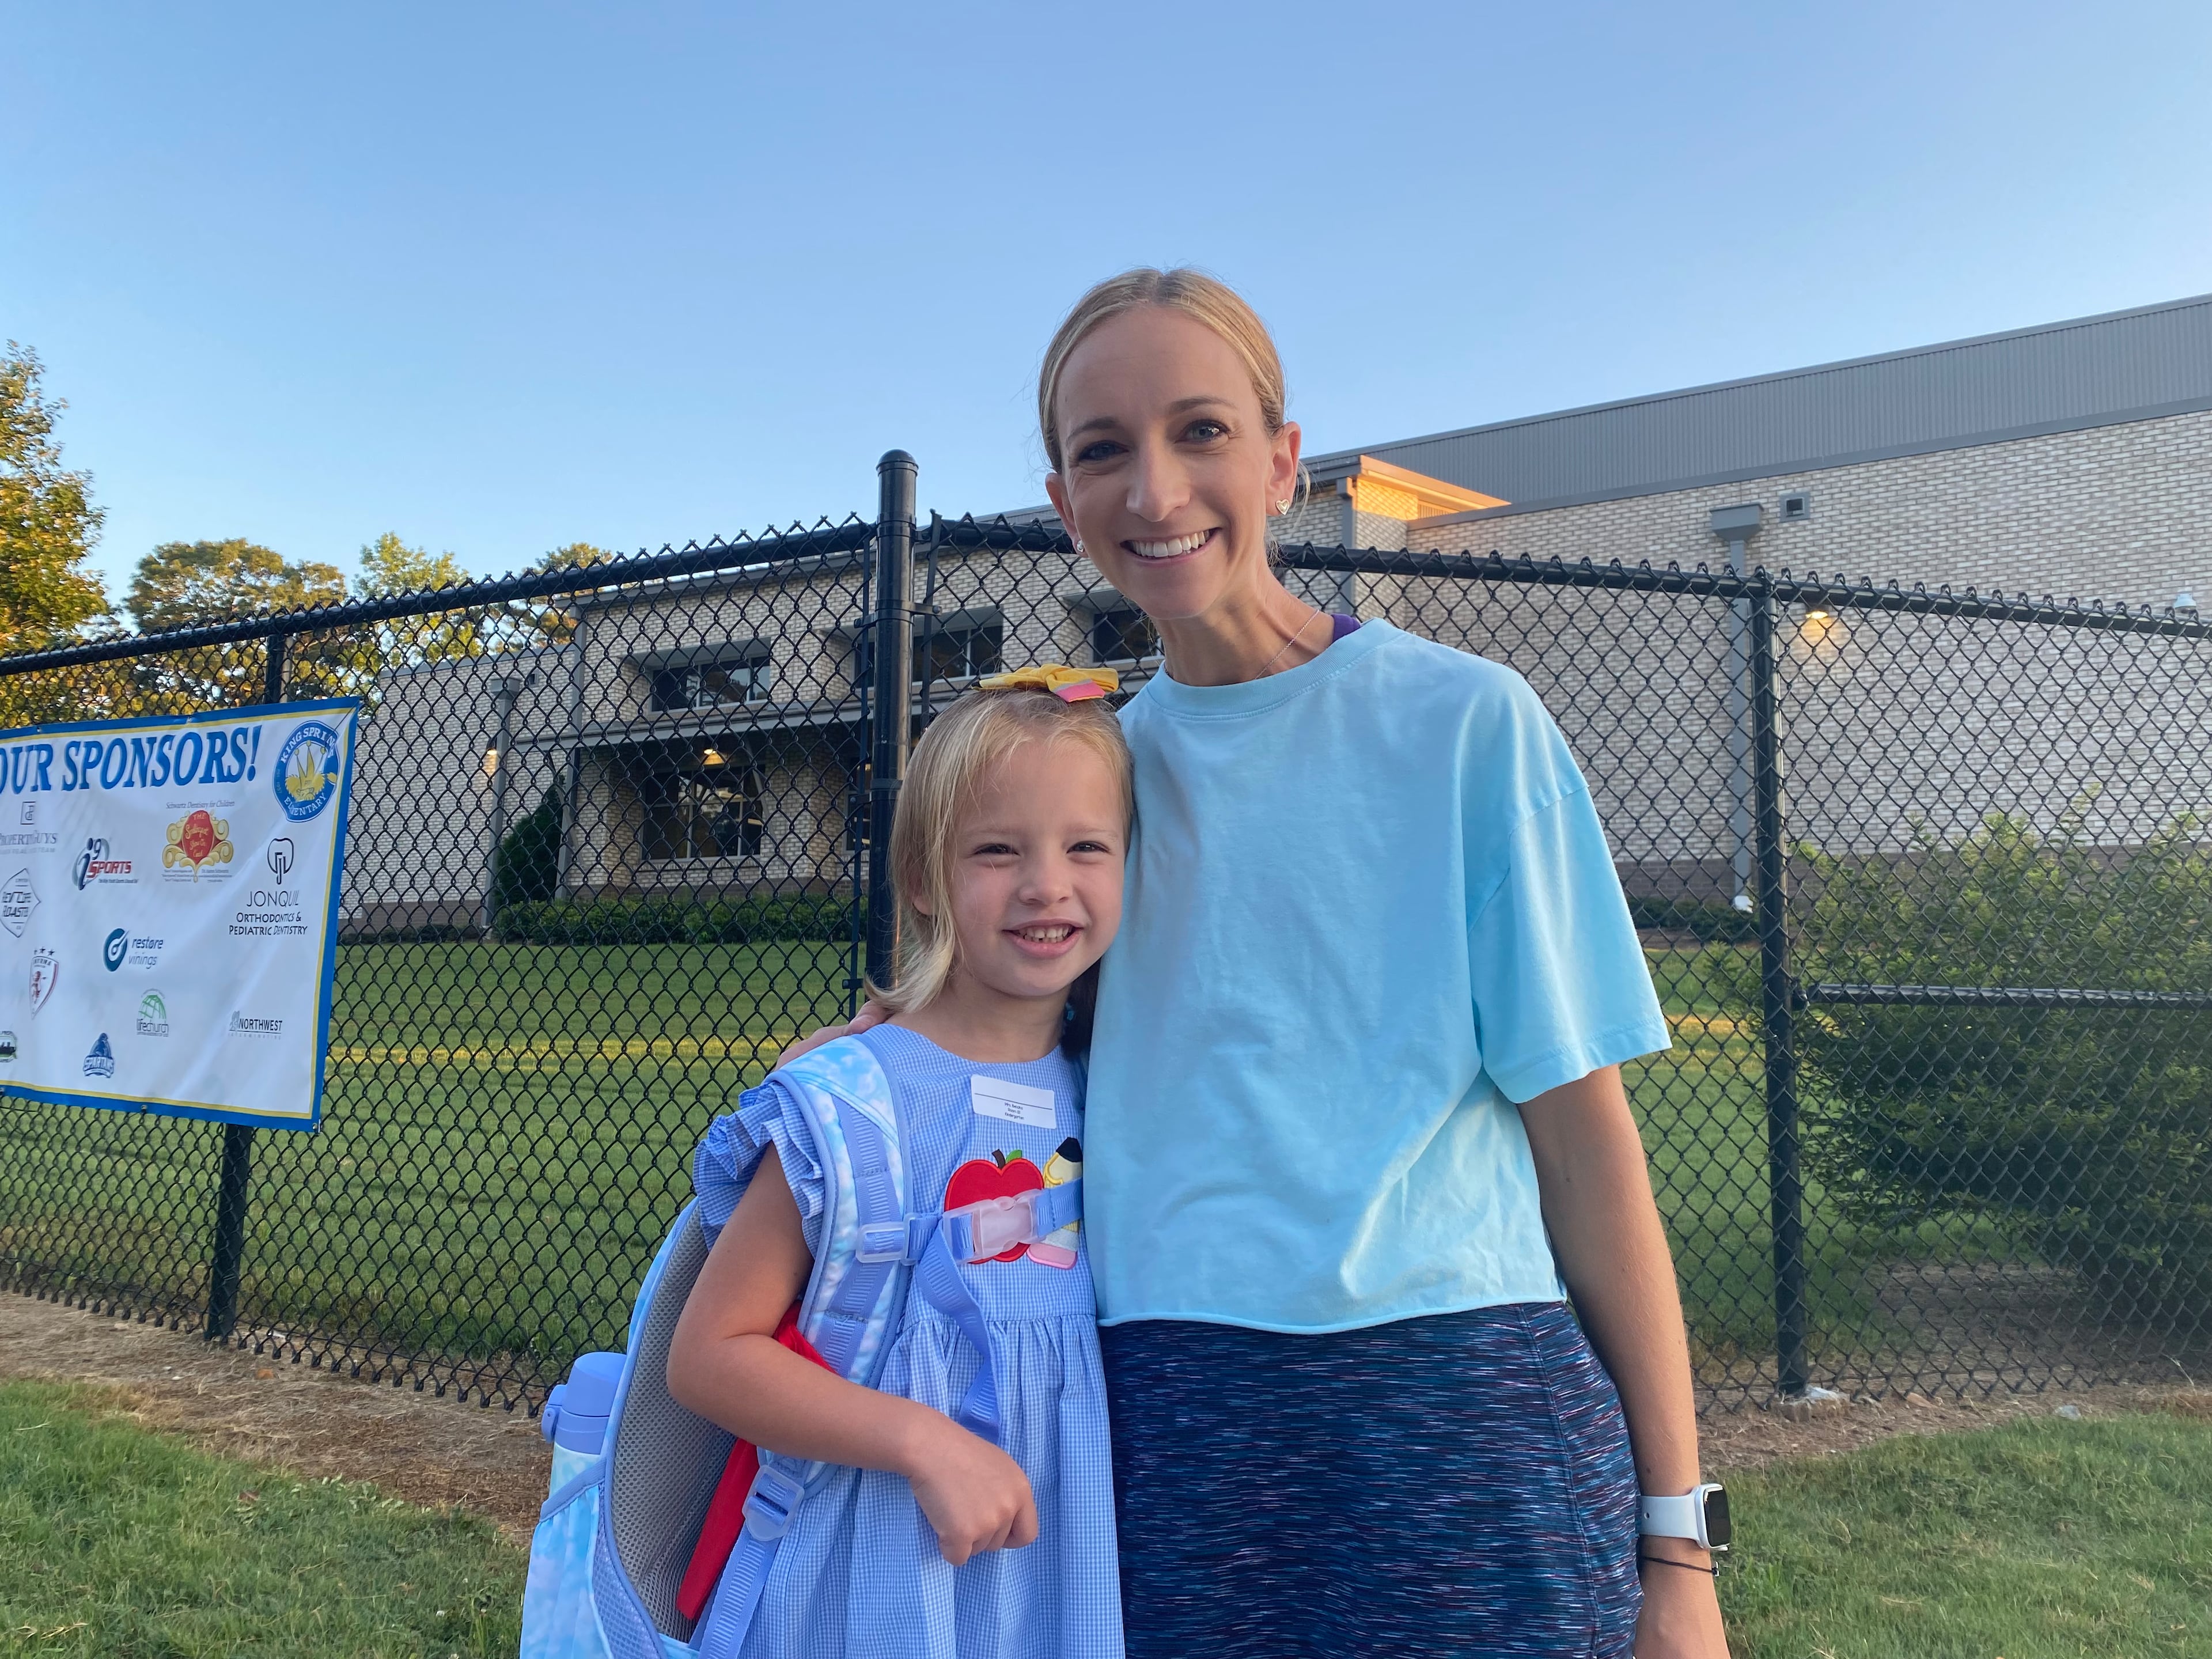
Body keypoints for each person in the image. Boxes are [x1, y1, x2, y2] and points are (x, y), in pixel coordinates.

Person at [798, 267, 1730, 1659]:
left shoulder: (1467, 723)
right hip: (1172, 1403)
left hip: (1458, 1391)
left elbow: (1587, 1142)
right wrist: (889, 1041)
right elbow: (1015, 1017)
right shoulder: (1094, 778)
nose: (1156, 489)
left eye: (1203, 431)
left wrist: (1680, 1546)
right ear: (1064, 503)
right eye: (1103, 449)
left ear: (1286, 462)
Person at [667, 677, 1131, 1659]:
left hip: (1051, 1575)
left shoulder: (1122, 1094)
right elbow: (710, 1356)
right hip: (854, 1577)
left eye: (1086, 846)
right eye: (998, 849)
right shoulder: (848, 1105)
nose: (1048, 884)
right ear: (921, 877)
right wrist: (923, 1441)